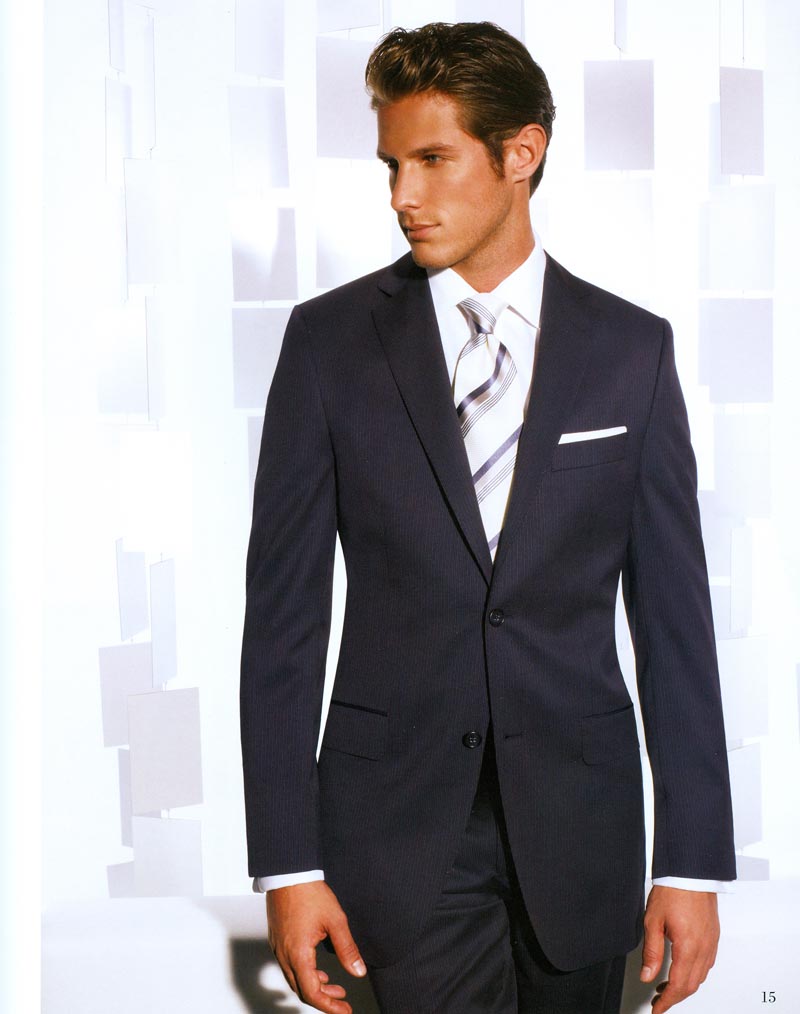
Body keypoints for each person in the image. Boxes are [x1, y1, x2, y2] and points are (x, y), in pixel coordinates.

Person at [240, 21, 735, 1014]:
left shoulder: (630, 351)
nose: (402, 196)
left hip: (583, 828)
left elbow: (674, 622)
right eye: (391, 165)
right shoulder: (329, 345)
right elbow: (284, 624)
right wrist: (287, 865)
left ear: (521, 153)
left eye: (431, 159)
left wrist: (691, 862)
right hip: (396, 836)